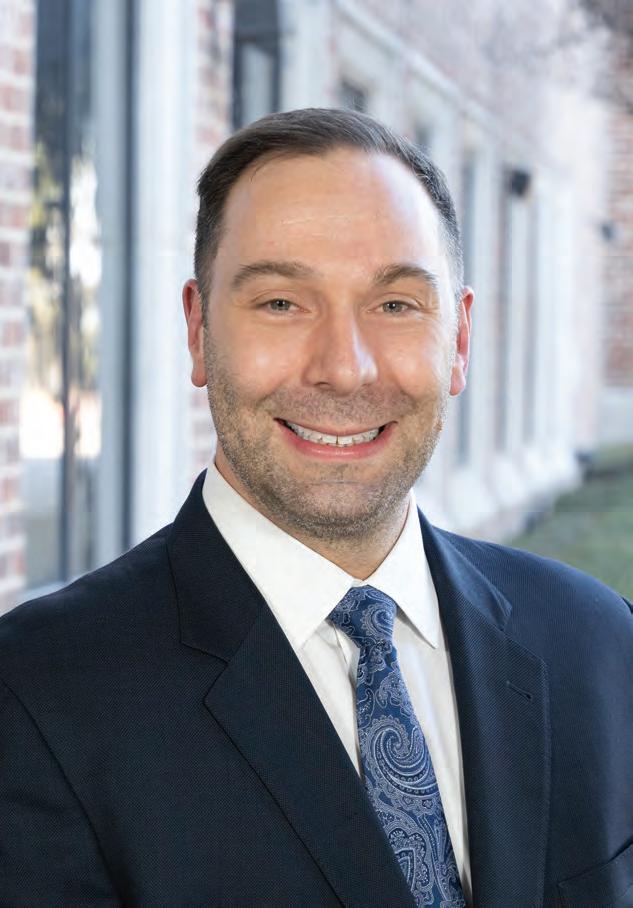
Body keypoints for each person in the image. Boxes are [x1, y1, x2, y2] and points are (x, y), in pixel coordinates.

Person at [1, 108, 631, 908]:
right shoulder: (36, 696)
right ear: (198, 330)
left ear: (459, 339)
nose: (345, 368)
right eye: (280, 303)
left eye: (395, 305)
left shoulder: (600, 643)